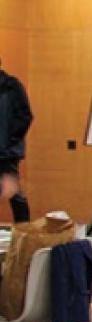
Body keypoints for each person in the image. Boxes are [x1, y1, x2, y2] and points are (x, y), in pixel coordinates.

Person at [0, 57, 32, 223]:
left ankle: (24, 232)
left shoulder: (12, 86)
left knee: (14, 193)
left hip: (6, 152)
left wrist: (11, 139)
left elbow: (25, 115)